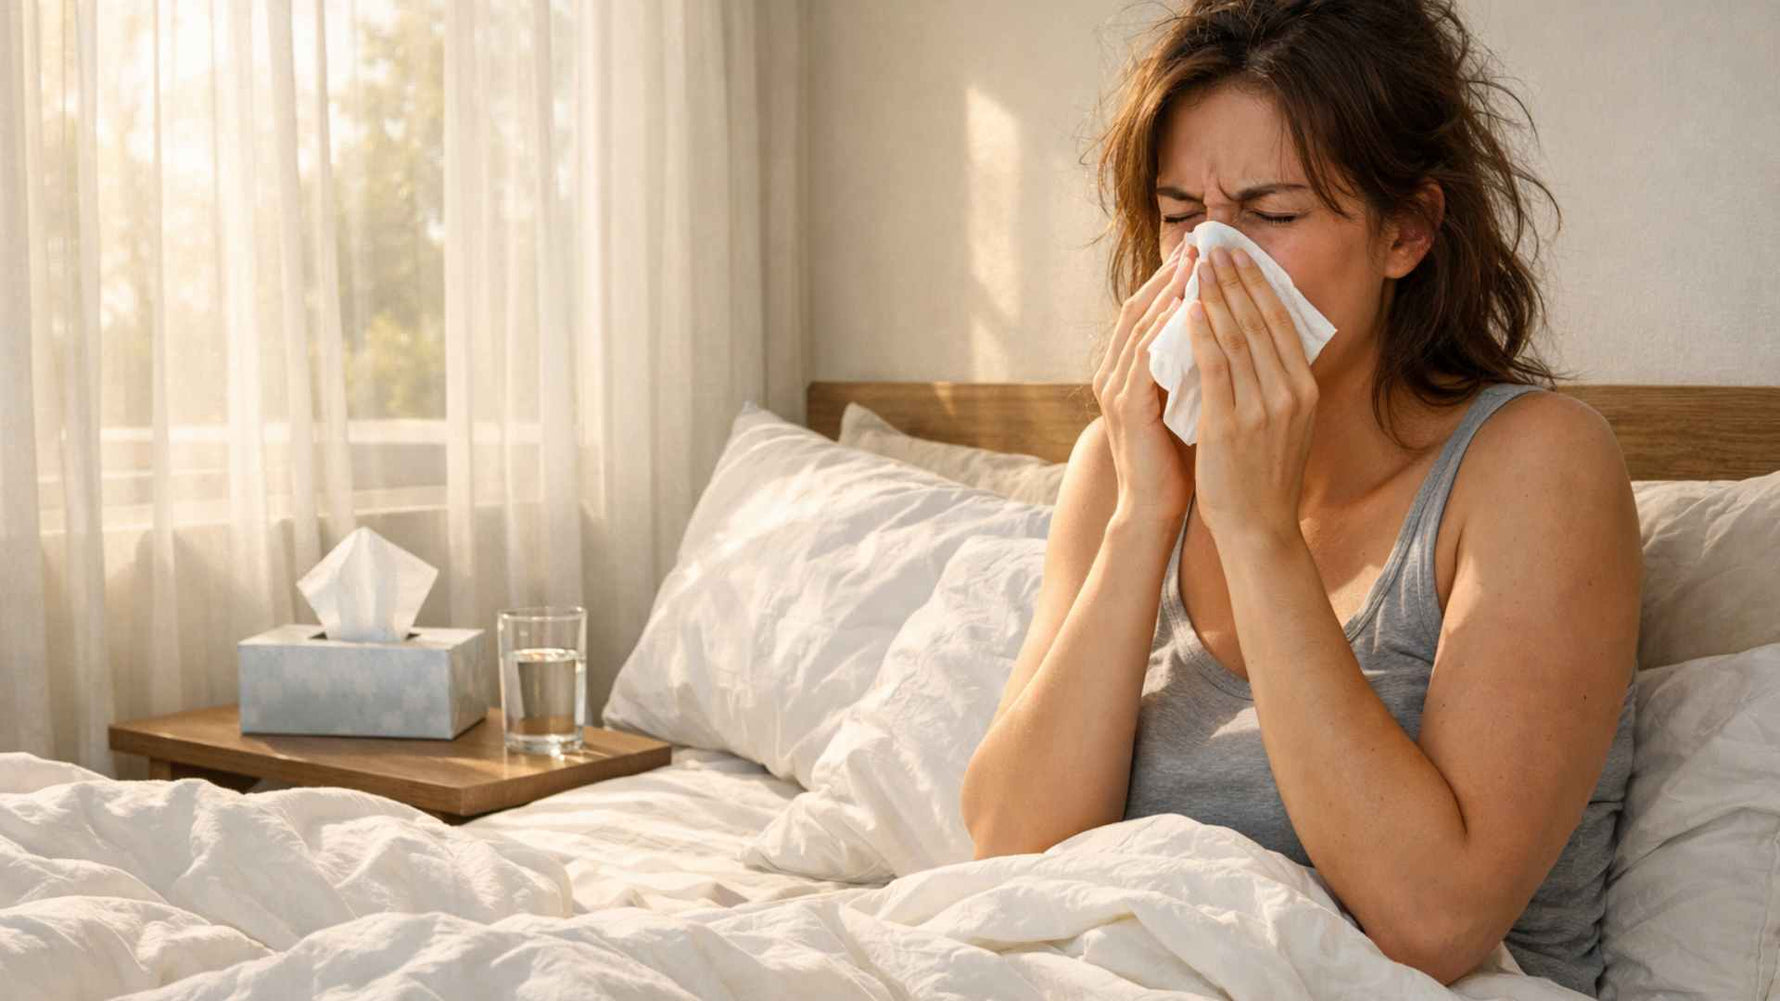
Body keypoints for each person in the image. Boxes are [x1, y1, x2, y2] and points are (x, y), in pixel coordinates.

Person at [957, 1, 1640, 995]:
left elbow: (1435, 921)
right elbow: (1007, 854)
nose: (1208, 262)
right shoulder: (1124, 462)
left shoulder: (1536, 467)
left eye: (1271, 215)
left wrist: (1256, 531)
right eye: (1181, 216)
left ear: (1407, 229)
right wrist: (1144, 515)